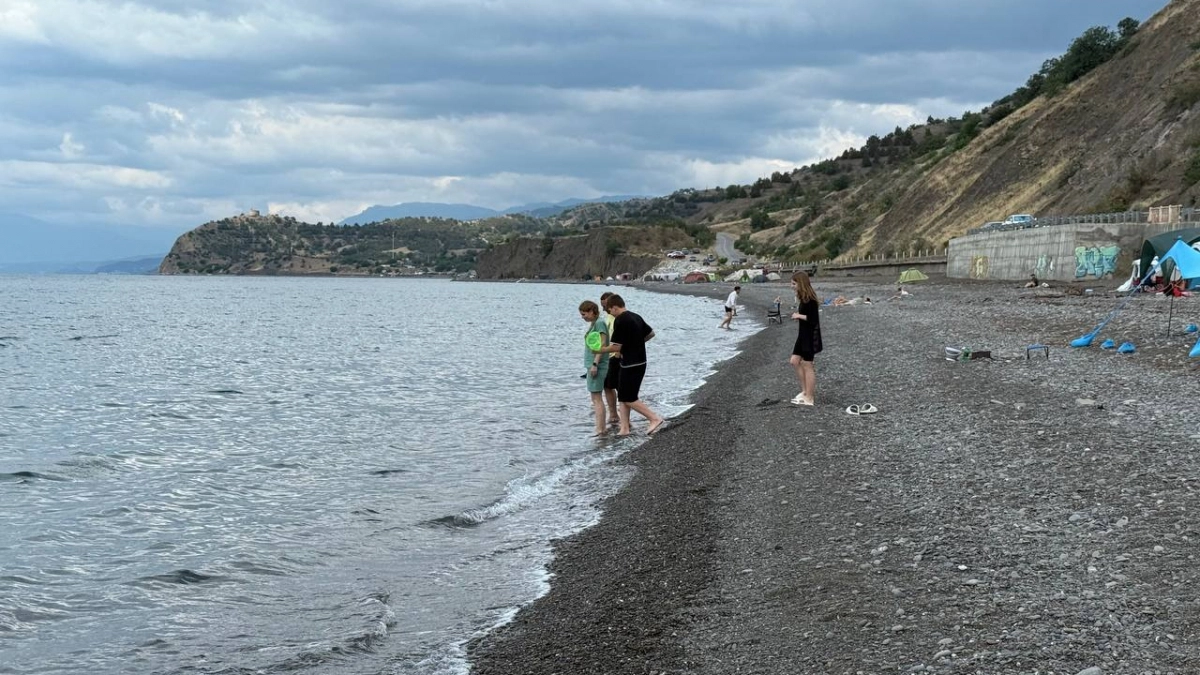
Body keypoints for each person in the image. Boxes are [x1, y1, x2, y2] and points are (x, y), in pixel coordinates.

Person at [600, 294, 666, 435]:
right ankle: (624, 428)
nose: (609, 312)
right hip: (640, 361)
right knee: (624, 395)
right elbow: (650, 334)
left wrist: (600, 349)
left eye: (609, 309)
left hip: (631, 364)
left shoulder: (620, 320)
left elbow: (616, 347)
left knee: (628, 397)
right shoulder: (636, 316)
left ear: (615, 307)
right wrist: (636, 344)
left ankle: (654, 418)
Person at [789, 272, 822, 407]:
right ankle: (804, 391)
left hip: (809, 336)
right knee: (794, 361)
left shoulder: (810, 299)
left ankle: (810, 397)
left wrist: (798, 315)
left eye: (793, 284)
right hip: (802, 335)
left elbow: (813, 319)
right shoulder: (803, 298)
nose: (791, 286)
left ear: (800, 283)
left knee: (807, 365)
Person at [578, 300, 611, 435]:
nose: (583, 317)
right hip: (593, 364)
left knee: (596, 398)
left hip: (597, 365)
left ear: (592, 311)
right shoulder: (594, 324)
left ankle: (600, 429)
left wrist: (595, 364)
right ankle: (601, 427)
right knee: (596, 398)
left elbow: (602, 346)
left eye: (584, 314)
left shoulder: (599, 323)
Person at [599, 292, 620, 425]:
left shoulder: (619, 318)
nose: (605, 308)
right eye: (603, 306)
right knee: (607, 386)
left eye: (606, 305)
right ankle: (613, 413)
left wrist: (618, 353)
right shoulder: (606, 318)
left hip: (616, 356)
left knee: (619, 386)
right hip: (607, 356)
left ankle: (622, 417)